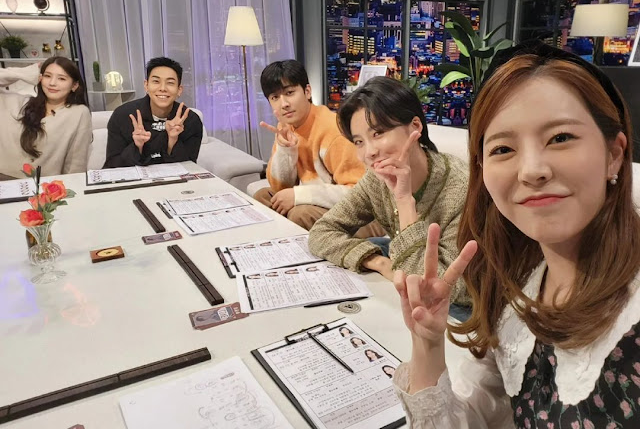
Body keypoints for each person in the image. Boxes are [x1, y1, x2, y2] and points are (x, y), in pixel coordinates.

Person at [392, 40, 640, 428]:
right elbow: (476, 419)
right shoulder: (516, 289)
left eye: (560, 138)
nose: (531, 170)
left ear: (614, 154)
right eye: (503, 149)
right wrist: (427, 342)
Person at [308, 76, 470, 308]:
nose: (369, 152)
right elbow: (321, 232)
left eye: (378, 133)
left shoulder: (461, 188)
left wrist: (404, 200)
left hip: (461, 303)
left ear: (415, 127)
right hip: (408, 273)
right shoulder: (377, 179)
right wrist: (379, 263)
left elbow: (434, 288)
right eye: (359, 142)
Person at [255, 59, 384, 236]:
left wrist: (299, 196)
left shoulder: (333, 130)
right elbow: (280, 187)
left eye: (290, 93)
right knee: (262, 197)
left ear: (307, 91)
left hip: (365, 215)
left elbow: (360, 193)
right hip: (326, 201)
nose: (283, 104)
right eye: (275, 97)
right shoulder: (286, 126)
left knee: (300, 214)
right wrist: (285, 150)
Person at [0, 58, 91, 179]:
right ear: (40, 78)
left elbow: (76, 161)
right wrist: (25, 73)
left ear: (74, 85)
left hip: (42, 186)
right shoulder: (18, 102)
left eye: (61, 78)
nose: (52, 83)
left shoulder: (78, 112)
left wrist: (72, 186)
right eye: (47, 76)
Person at [104, 57, 202, 168]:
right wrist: (137, 147)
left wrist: (172, 141)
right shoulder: (123, 115)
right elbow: (112, 165)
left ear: (179, 90)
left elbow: (190, 167)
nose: (163, 88)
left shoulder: (190, 120)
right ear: (146, 85)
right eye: (156, 81)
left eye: (170, 83)